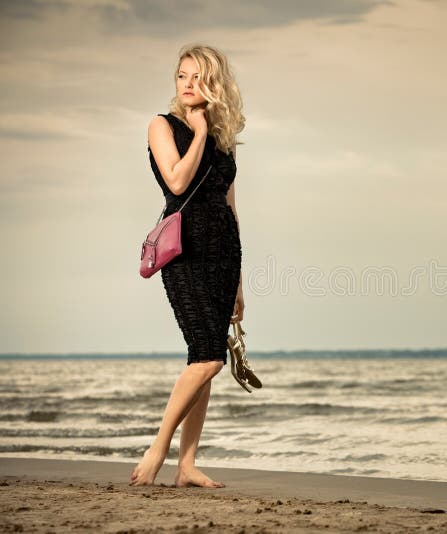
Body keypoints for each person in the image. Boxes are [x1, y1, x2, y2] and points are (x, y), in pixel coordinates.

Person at [130, 44, 246, 488]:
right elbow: (177, 181)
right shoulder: (162, 126)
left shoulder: (224, 141)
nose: (189, 84)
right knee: (208, 358)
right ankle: (159, 448)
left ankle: (187, 465)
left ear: (214, 83)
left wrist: (239, 282)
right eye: (182, 76)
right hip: (185, 251)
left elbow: (232, 211)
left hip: (223, 254)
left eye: (198, 77)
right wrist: (197, 133)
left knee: (206, 357)